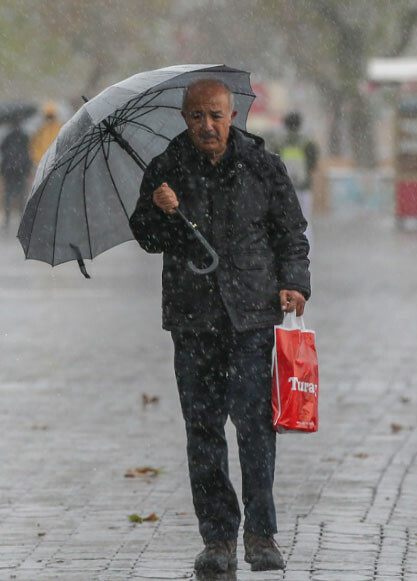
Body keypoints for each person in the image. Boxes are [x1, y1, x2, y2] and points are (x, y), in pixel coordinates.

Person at [128, 79, 310, 574]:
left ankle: (261, 533)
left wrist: (295, 283)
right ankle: (218, 539)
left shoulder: (263, 166)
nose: (207, 126)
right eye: (196, 117)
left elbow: (291, 233)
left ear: (232, 115)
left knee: (254, 427)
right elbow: (145, 236)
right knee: (203, 429)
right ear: (185, 120)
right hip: (193, 320)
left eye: (215, 116)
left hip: (252, 316)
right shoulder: (166, 169)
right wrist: (158, 210)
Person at [272, 111, 319, 249]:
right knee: (305, 220)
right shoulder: (308, 142)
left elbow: (273, 163)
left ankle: (288, 250)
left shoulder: (279, 142)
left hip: (284, 188)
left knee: (284, 221)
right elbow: (313, 164)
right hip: (304, 187)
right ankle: (306, 251)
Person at [0, 120, 31, 225]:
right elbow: (29, 151)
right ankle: (22, 215)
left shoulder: (7, 137)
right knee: (21, 193)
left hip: (9, 170)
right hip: (20, 170)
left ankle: (7, 216)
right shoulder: (25, 137)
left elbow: (0, 149)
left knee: (8, 193)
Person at [29, 101, 62, 168]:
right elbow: (34, 146)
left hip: (57, 162)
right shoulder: (40, 130)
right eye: (48, 116)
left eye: (51, 116)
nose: (49, 118)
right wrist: (38, 159)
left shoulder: (60, 127)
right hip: (43, 163)